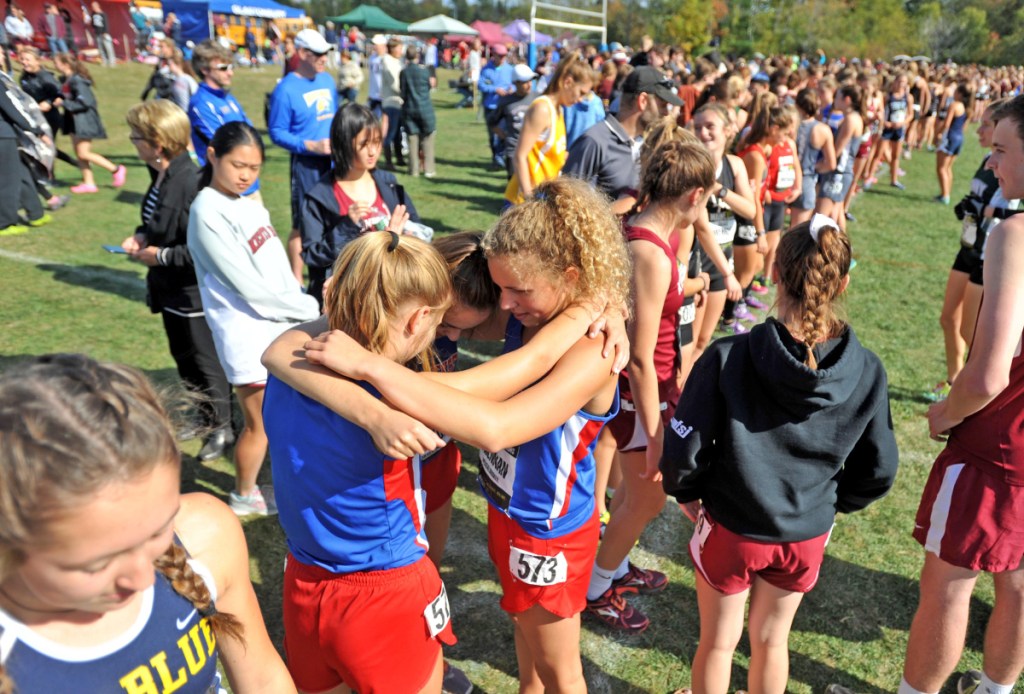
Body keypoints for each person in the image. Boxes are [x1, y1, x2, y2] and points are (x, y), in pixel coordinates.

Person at [274, 177, 630, 693]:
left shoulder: (594, 347)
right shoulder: (530, 312)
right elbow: (496, 333)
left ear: (568, 278)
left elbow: (496, 425)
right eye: (501, 287)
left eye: (517, 290)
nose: (504, 305)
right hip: (508, 516)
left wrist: (367, 367)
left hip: (547, 533)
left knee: (559, 673)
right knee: (530, 659)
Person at [663, 215, 899, 694]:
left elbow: (683, 447)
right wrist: (827, 506)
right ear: (843, 282)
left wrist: (686, 490)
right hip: (806, 533)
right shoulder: (867, 369)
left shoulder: (728, 356)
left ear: (775, 269)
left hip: (733, 526)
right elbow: (880, 468)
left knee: (718, 644)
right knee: (773, 642)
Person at [0, 354, 296, 693]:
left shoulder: (205, 536)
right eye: (97, 564)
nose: (144, 578)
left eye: (158, 530)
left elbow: (262, 679)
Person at [892, 94, 1024, 694]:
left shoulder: (1014, 236)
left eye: (1000, 149)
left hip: (996, 449)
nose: (991, 163)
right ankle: (995, 690)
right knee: (1019, 583)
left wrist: (945, 413)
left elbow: (988, 372)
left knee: (948, 585)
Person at [586, 137, 716, 633]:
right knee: (647, 495)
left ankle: (614, 568)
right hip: (642, 393)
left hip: (656, 389)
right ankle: (596, 589)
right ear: (693, 195)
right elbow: (639, 357)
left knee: (635, 491)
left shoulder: (648, 235)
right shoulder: (650, 251)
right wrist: (657, 430)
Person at [187, 121, 319, 515]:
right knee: (260, 425)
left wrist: (296, 303)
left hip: (280, 323)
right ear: (212, 155)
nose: (245, 174)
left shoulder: (247, 200)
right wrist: (309, 309)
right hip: (246, 335)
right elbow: (245, 286)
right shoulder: (206, 210)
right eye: (237, 164)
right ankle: (244, 496)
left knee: (281, 419)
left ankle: (273, 487)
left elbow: (273, 263)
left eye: (254, 167)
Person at [119, 100, 233, 462]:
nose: (133, 142)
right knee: (184, 360)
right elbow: (155, 223)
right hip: (169, 292)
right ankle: (203, 420)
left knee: (206, 365)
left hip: (193, 295)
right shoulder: (161, 175)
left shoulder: (192, 182)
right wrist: (140, 235)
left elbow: (206, 248)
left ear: (157, 142)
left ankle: (222, 428)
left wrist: (160, 256)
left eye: (137, 136)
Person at [928, 98, 1020, 403]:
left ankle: (972, 392)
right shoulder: (989, 161)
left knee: (972, 332)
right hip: (969, 246)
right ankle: (955, 378)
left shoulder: (1014, 168)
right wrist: (970, 206)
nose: (979, 129)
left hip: (988, 255)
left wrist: (989, 213)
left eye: (985, 124)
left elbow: (1010, 213)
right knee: (947, 319)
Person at [300, 103, 421, 304]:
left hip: (394, 293)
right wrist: (346, 227)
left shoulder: (389, 184)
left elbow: (419, 229)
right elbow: (312, 255)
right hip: (349, 301)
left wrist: (405, 237)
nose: (373, 151)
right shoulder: (319, 197)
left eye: (377, 142)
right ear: (344, 144)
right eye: (364, 144)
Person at [563, 65, 684, 214]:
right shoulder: (594, 141)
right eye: (663, 105)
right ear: (643, 101)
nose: (667, 113)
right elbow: (564, 205)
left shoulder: (650, 143)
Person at [268, 28, 336, 286]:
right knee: (303, 223)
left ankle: (327, 274)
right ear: (302, 53)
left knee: (331, 218)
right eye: (318, 53)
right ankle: (297, 282)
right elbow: (276, 132)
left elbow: (335, 117)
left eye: (326, 52)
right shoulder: (285, 89)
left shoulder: (327, 80)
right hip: (306, 164)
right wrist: (309, 145)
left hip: (333, 162)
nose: (324, 58)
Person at [504, 53, 594, 206]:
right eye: (581, 93)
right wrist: (529, 201)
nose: (580, 100)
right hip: (524, 202)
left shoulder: (558, 109)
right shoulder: (542, 108)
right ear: (567, 82)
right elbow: (519, 156)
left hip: (541, 198)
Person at [53, 52, 126, 194]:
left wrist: (64, 103)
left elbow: (86, 102)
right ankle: (89, 183)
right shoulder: (65, 79)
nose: (54, 64)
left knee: (84, 153)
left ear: (65, 64)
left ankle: (116, 169)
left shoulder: (78, 80)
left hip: (84, 121)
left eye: (56, 62)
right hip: (73, 121)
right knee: (79, 154)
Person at [0, 66, 49, 236]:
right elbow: (11, 108)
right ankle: (4, 223)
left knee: (21, 172)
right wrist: (34, 129)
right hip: (2, 136)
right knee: (7, 181)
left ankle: (35, 213)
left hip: (6, 135)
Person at [791, 87, 836, 226]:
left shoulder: (789, 125)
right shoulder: (823, 129)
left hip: (785, 178)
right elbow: (831, 164)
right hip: (806, 180)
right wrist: (813, 167)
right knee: (796, 234)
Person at [488, 63, 538, 179]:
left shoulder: (538, 98)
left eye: (530, 80)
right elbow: (492, 121)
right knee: (514, 184)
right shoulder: (506, 101)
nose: (529, 84)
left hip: (534, 149)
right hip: (513, 151)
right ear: (516, 83)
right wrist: (504, 136)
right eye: (525, 82)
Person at [934, 83, 974, 205]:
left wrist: (937, 134)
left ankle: (945, 195)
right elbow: (964, 127)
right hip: (959, 138)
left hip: (950, 137)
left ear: (960, 94)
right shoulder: (967, 108)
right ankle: (946, 193)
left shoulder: (954, 105)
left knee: (941, 167)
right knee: (948, 167)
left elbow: (946, 124)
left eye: (956, 91)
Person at [400, 45, 437, 178]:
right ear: (417, 56)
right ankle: (429, 169)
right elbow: (428, 87)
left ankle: (413, 170)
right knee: (428, 138)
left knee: (412, 139)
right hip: (425, 107)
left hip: (409, 108)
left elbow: (402, 92)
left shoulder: (404, 72)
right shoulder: (424, 71)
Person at [478, 44, 514, 170]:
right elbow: (481, 85)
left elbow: (515, 84)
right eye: (500, 56)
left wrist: (512, 90)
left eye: (505, 55)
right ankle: (495, 159)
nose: (503, 58)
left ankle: (501, 157)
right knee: (492, 135)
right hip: (491, 107)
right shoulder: (486, 69)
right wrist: (495, 89)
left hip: (505, 106)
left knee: (504, 134)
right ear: (494, 55)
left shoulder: (509, 69)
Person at [380, 37, 405, 171]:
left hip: (398, 101)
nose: (401, 51)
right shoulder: (388, 62)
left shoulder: (396, 61)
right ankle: (388, 161)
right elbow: (394, 83)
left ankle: (399, 157)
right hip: (391, 102)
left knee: (398, 134)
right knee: (391, 132)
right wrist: (405, 90)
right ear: (393, 49)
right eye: (400, 48)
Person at [367, 34, 387, 117]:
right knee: (372, 120)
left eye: (376, 44)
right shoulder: (371, 58)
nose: (374, 46)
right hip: (373, 95)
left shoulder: (387, 59)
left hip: (385, 96)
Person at [90, 1, 115, 66]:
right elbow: (92, 24)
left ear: (98, 6)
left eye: (94, 7)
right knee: (100, 49)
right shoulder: (93, 14)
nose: (93, 8)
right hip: (97, 34)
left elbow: (106, 24)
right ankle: (104, 61)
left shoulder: (103, 14)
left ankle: (112, 62)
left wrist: (105, 32)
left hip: (104, 33)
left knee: (108, 48)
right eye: (92, 7)